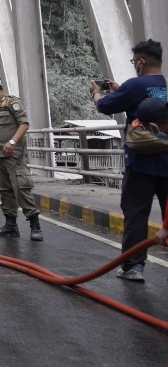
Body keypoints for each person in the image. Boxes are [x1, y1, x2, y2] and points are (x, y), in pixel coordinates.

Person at [91, 39, 168, 282]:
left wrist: (96, 93)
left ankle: (133, 267)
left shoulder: (136, 84)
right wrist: (120, 89)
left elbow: (104, 106)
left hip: (141, 164)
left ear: (142, 62)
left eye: (135, 61)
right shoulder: (164, 85)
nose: (134, 65)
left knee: (136, 213)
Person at [0, 76, 42, 241]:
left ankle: (35, 225)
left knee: (21, 188)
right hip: (0, 155)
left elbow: (24, 123)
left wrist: (12, 141)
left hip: (14, 154)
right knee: (5, 190)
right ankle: (11, 226)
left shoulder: (12, 102)